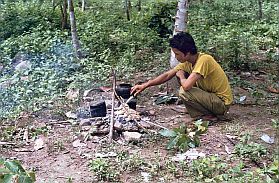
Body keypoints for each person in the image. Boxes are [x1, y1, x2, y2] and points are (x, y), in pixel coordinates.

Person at [131, 32, 233, 122]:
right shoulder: (188, 62)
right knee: (181, 79)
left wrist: (181, 76)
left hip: (222, 104)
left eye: (177, 54)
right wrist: (145, 85)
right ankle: (206, 114)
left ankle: (210, 115)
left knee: (184, 91)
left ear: (187, 53)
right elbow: (167, 75)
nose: (176, 57)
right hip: (212, 99)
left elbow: (187, 86)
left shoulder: (204, 60)